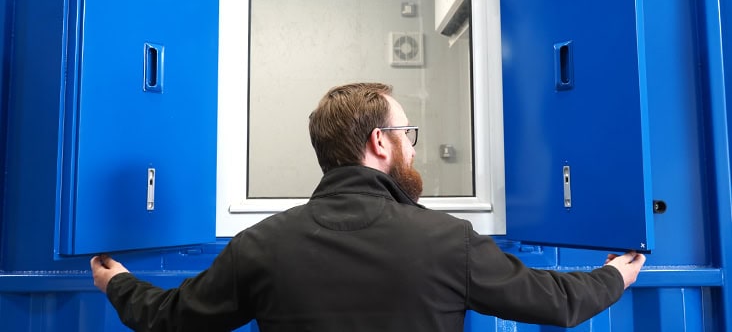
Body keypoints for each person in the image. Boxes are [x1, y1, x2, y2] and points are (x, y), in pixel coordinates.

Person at [91, 82, 645, 332]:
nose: (413, 144)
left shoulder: (261, 246)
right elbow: (555, 304)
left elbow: (171, 320)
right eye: (408, 132)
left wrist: (117, 283)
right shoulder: (448, 242)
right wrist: (613, 277)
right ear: (381, 142)